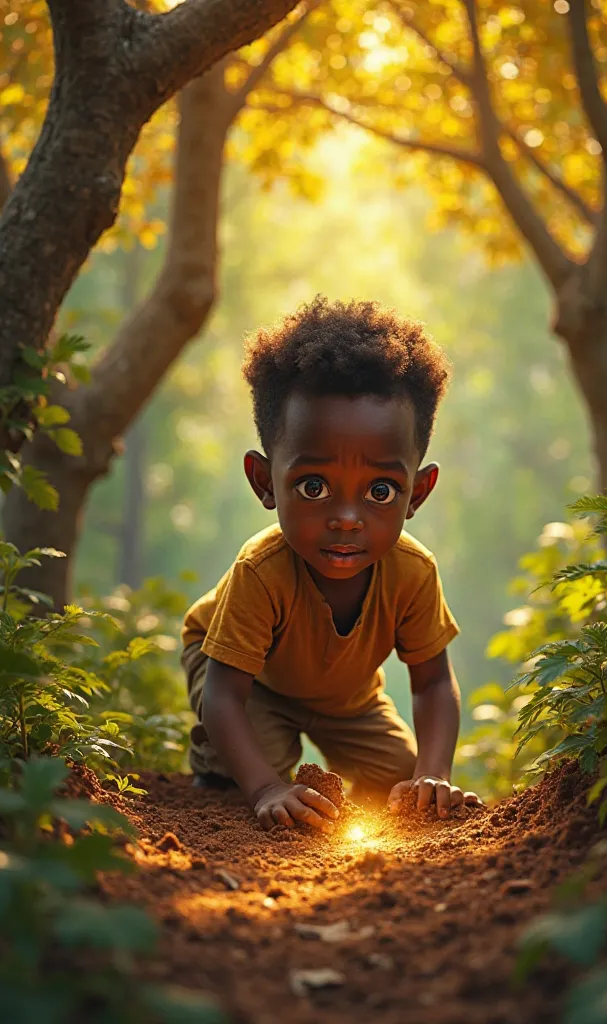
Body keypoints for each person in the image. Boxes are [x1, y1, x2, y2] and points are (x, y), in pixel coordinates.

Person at [181, 296, 481, 832]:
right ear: (263, 481)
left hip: (347, 697)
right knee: (249, 768)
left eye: (381, 490)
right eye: (314, 486)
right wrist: (269, 787)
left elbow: (433, 684)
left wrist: (433, 773)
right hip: (246, 679)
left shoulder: (413, 573)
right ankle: (218, 769)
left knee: (400, 777)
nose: (346, 518)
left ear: (419, 492)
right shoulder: (262, 570)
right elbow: (225, 697)